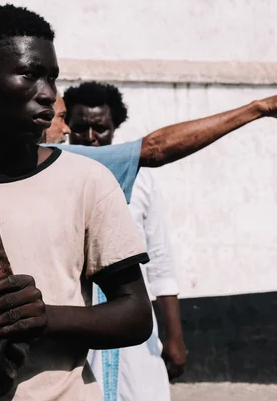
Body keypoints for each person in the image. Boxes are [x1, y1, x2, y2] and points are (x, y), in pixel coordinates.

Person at [0, 4, 277, 400]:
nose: (49, 95)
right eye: (29, 74)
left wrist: (46, 317)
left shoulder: (86, 177)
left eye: (52, 78)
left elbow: (137, 313)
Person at [64, 81, 186, 401]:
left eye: (100, 129)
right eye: (81, 128)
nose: (91, 138)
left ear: (115, 127)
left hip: (135, 325)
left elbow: (159, 260)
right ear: (67, 127)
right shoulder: (56, 174)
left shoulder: (142, 178)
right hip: (78, 321)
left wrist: (174, 336)